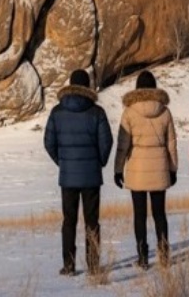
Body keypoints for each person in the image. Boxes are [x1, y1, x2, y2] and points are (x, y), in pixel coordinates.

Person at [44, 69, 114, 277]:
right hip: (91, 176)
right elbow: (107, 142)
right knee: (92, 221)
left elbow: (49, 143)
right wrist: (98, 162)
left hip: (68, 177)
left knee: (69, 221)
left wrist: (63, 162)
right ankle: (93, 265)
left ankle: (69, 265)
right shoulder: (96, 112)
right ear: (87, 86)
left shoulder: (57, 112)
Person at [114, 70, 177, 270]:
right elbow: (172, 144)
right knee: (160, 214)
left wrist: (118, 169)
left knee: (139, 215)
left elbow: (123, 145)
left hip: (137, 168)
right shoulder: (165, 111)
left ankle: (142, 257)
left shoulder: (130, 112)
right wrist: (173, 169)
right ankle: (164, 255)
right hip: (159, 166)